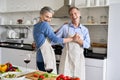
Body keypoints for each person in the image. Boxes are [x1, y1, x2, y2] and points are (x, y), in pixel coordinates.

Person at [33, 6, 79, 74]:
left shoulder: (36, 25)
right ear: (41, 15)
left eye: (50, 17)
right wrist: (72, 39)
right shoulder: (45, 25)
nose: (48, 19)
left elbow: (51, 35)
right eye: (47, 16)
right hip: (45, 59)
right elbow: (55, 40)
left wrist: (61, 27)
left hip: (39, 58)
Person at [56, 7, 90, 80]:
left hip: (79, 59)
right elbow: (56, 39)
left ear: (79, 14)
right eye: (71, 14)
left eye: (75, 13)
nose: (74, 16)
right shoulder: (65, 27)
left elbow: (87, 45)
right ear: (70, 16)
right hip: (66, 58)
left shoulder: (84, 29)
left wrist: (78, 40)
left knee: (78, 78)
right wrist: (70, 39)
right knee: (65, 77)